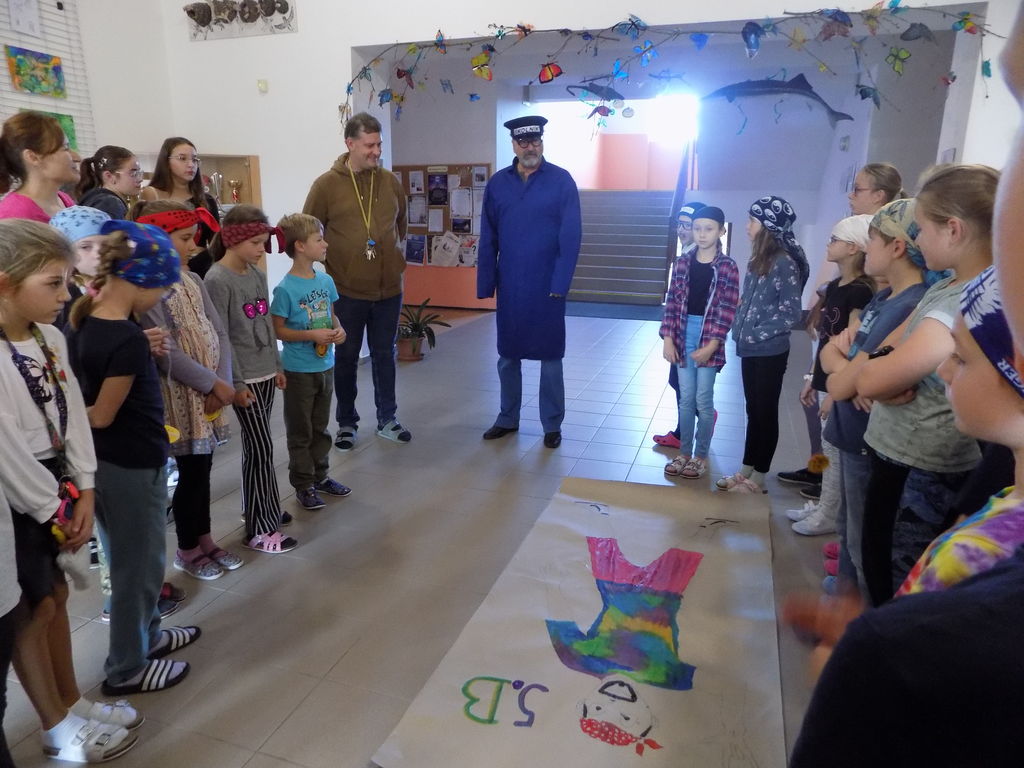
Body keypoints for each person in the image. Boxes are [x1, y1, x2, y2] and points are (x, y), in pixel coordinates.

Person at [0, 219, 139, 762]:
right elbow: (7, 448)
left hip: (58, 485)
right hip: (21, 497)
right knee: (31, 610)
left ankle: (70, 701)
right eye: (52, 284)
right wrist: (52, 509)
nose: (65, 295)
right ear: (5, 284)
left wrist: (84, 486)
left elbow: (73, 418)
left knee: (56, 598)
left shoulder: (51, 337)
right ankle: (54, 726)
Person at [66, 220, 200, 697]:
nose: (162, 298)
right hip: (128, 464)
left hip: (110, 464)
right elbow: (101, 415)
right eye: (162, 288)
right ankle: (127, 667)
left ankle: (148, 638)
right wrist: (61, 418)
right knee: (136, 569)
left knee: (137, 558)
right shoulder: (124, 336)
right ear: (140, 281)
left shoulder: (86, 318)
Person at [855, 167, 998, 606]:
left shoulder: (961, 300)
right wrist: (881, 370)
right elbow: (883, 356)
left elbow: (870, 376)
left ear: (953, 230)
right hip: (899, 452)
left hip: (918, 463)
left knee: (895, 581)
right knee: (876, 560)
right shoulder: (948, 285)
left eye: (921, 228)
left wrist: (878, 375)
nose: (916, 239)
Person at [819, 200, 930, 595]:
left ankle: (857, 611)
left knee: (863, 540)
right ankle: (845, 598)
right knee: (848, 527)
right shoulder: (883, 299)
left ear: (897, 247)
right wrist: (847, 368)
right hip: (853, 429)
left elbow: (843, 383)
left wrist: (847, 372)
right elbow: (833, 354)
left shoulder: (908, 306)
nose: (866, 249)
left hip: (867, 438)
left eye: (872, 240)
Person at [778, 162, 905, 493]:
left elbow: (860, 336)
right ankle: (818, 472)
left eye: (858, 189)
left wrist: (844, 377)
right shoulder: (850, 267)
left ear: (879, 195)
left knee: (840, 436)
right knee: (817, 414)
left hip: (853, 369)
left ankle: (828, 488)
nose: (851, 195)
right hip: (833, 357)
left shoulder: (873, 281)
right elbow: (835, 328)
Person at [897, 266, 1024, 596]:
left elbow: (918, 627)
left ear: (1018, 371)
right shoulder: (1010, 496)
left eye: (961, 357)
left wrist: (861, 630)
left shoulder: (975, 555)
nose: (943, 370)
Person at [133, 200, 242, 581]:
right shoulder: (149, 287)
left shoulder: (193, 279)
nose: (193, 244)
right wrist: (212, 383)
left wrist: (222, 381)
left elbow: (219, 331)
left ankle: (205, 538)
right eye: (184, 238)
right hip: (181, 395)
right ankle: (187, 548)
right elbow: (168, 352)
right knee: (190, 472)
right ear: (158, 240)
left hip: (211, 391)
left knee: (204, 469)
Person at [302, 112, 410, 450]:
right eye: (369, 145)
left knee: (384, 355)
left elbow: (401, 225)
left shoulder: (390, 181)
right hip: (346, 292)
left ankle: (388, 419)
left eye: (379, 144)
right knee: (346, 357)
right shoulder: (326, 185)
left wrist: (390, 256)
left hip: (389, 289)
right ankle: (346, 424)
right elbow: (308, 232)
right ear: (350, 144)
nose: (377, 151)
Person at [477, 115, 583, 449]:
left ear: (542, 141)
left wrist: (560, 284)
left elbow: (571, 237)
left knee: (550, 358)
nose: (530, 147)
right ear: (514, 145)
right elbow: (488, 237)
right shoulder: (498, 184)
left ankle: (551, 425)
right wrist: (486, 284)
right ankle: (507, 418)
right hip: (510, 285)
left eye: (535, 141)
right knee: (508, 356)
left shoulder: (561, 181)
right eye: (523, 142)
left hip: (547, 286)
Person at [204, 205, 296, 554]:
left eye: (263, 242)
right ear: (233, 239)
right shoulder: (217, 280)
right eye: (256, 243)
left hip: (266, 372)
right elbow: (222, 337)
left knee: (258, 447)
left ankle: (258, 505)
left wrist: (278, 365)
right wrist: (238, 385)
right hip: (245, 381)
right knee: (261, 448)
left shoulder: (256, 274)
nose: (262, 249)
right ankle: (261, 528)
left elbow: (266, 326)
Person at [789, 216, 875, 537]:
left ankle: (829, 513)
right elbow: (827, 339)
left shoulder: (861, 291)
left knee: (836, 452)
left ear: (853, 248)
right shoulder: (837, 286)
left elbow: (853, 345)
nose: (828, 244)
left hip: (841, 382)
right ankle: (825, 505)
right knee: (827, 448)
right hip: (826, 377)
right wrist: (813, 377)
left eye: (834, 239)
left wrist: (836, 394)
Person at [717, 196, 809, 493]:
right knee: (753, 410)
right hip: (750, 348)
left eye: (752, 221)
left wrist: (755, 333)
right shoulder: (756, 260)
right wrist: (739, 326)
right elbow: (748, 301)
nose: (747, 226)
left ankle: (760, 476)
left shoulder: (785, 263)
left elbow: (791, 313)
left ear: (769, 226)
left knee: (765, 412)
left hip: (770, 350)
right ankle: (747, 468)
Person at [271, 213, 353, 510]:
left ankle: (321, 476)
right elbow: (278, 330)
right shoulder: (285, 288)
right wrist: (311, 334)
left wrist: (339, 330)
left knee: (320, 426)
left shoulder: (325, 280)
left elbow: (331, 315)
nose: (325, 244)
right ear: (300, 246)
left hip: (325, 366)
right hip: (298, 370)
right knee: (301, 430)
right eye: (319, 239)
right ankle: (303, 484)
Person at [660, 206, 739, 479]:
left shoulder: (727, 266)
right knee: (685, 398)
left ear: (721, 231)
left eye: (709, 229)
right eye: (697, 229)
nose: (702, 234)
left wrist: (713, 345)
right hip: (683, 332)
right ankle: (684, 453)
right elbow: (671, 303)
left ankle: (700, 456)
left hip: (710, 335)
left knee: (703, 400)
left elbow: (727, 308)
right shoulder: (682, 263)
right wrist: (668, 339)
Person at [653, 200, 706, 449]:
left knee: (686, 385)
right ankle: (685, 429)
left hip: (692, 335)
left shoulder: (698, 259)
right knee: (679, 382)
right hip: (681, 333)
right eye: (680, 224)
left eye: (688, 225)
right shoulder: (686, 255)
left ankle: (688, 430)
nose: (682, 230)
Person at [140, 137, 220, 278]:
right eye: (182, 159)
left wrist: (195, 263)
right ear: (167, 162)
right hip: (164, 267)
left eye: (194, 160)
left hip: (202, 268)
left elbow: (216, 242)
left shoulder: (206, 200)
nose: (191, 165)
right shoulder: (151, 194)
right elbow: (147, 238)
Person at [0, 112, 77, 222]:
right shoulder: (15, 215)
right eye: (65, 148)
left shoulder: (64, 200)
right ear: (33, 157)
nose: (77, 157)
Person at [75, 146, 143, 220]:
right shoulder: (110, 204)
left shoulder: (98, 199)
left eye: (139, 173)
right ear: (109, 176)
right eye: (133, 173)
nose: (140, 179)